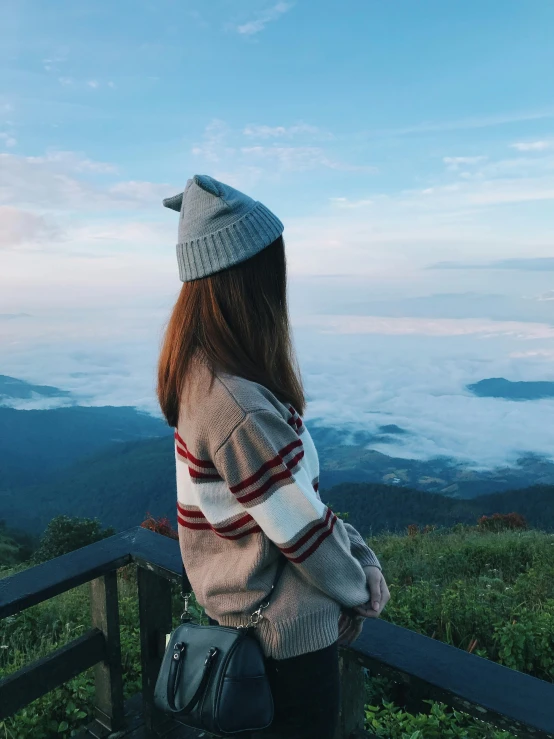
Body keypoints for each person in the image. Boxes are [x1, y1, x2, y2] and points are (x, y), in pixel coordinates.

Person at [157, 174, 390, 739]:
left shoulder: (199, 374)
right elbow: (302, 531)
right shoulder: (239, 406)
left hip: (240, 622)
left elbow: (290, 506)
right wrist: (363, 585)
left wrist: (352, 548)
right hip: (284, 642)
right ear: (248, 280)